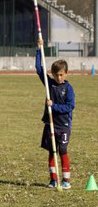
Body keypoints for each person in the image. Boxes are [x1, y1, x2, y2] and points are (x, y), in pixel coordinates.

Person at [35, 39, 75, 189]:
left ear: (65, 74)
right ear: (52, 74)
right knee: (52, 151)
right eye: (56, 75)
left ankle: (66, 181)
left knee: (63, 150)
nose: (59, 78)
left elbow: (70, 106)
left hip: (63, 125)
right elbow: (39, 69)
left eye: (61, 75)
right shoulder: (50, 84)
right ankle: (53, 180)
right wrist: (39, 49)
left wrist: (54, 106)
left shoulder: (69, 88)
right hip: (50, 123)